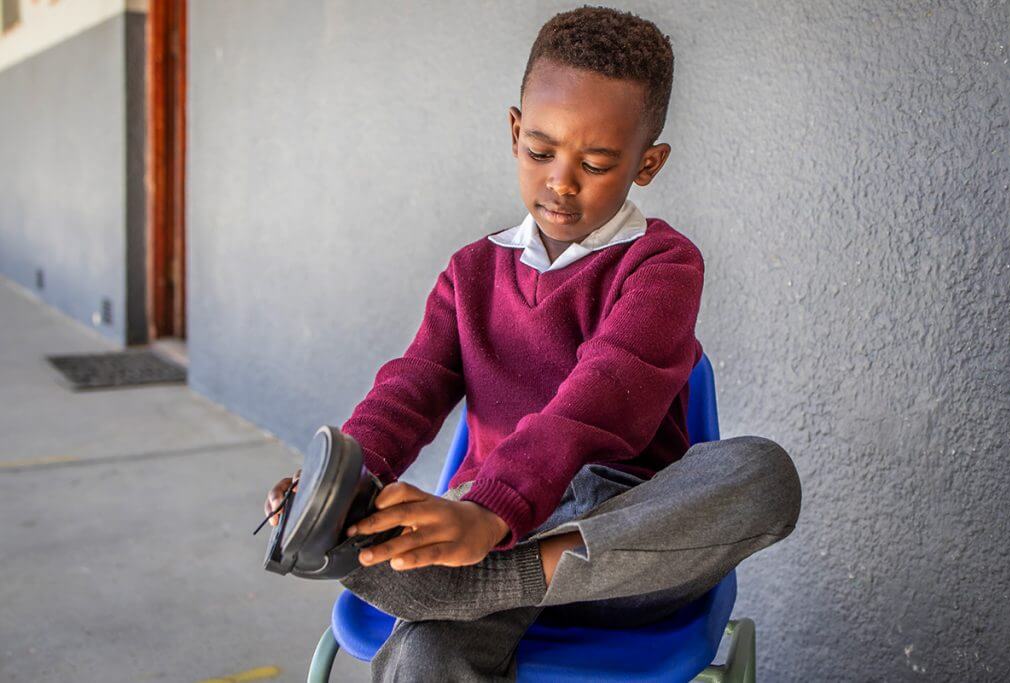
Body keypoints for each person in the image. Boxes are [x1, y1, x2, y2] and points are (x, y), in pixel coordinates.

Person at [265, 6, 801, 681]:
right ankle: (472, 582)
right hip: (474, 535)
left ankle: (486, 581)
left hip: (612, 551)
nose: (560, 181)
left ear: (647, 164)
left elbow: (597, 398)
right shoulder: (472, 273)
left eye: (598, 162)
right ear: (515, 131)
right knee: (426, 653)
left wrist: (493, 514)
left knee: (762, 472)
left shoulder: (664, 265)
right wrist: (341, 482)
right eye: (542, 150)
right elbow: (411, 385)